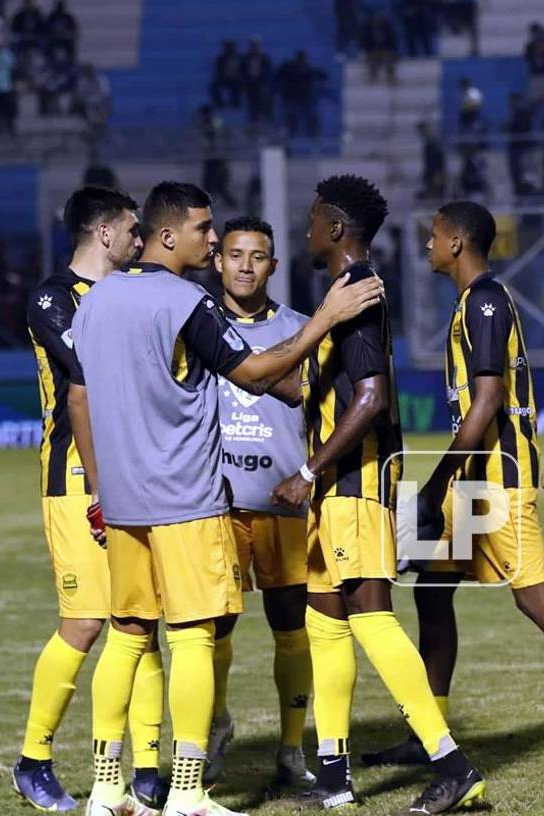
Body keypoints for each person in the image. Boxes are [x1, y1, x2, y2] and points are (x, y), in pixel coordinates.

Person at [72, 181, 384, 816]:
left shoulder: (98, 300)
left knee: (127, 636)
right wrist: (325, 318)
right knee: (191, 639)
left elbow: (82, 394)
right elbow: (255, 374)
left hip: (124, 499)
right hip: (185, 497)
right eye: (202, 228)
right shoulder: (187, 301)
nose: (211, 241)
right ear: (169, 236)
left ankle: (106, 789)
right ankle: (188, 791)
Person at [362, 202, 544, 768]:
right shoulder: (470, 302)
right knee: (430, 589)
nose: (426, 245)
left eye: (433, 235)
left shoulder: (488, 301)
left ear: (456, 244)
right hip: (470, 481)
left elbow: (489, 398)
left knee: (536, 599)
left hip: (498, 479)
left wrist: (435, 482)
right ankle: (431, 732)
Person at [269, 176, 487, 813]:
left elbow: (371, 398)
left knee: (369, 615)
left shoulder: (357, 291)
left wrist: (307, 472)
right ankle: (334, 776)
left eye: (312, 221)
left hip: (354, 483)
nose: (305, 231)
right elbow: (316, 387)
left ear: (336, 229)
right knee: (325, 622)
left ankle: (453, 763)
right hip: (336, 489)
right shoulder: (342, 291)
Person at [10, 187, 154, 812]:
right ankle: (34, 760)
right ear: (102, 232)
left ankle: (149, 769)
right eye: (131, 229)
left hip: (135, 472)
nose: (140, 240)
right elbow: (91, 375)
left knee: (140, 619)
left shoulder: (130, 289)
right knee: (86, 621)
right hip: (75, 477)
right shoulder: (52, 297)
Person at [201, 216, 318, 790]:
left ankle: (292, 747)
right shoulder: (193, 326)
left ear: (274, 265)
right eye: (236, 254)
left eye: (259, 256)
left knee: (290, 626)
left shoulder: (300, 328)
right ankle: (215, 722)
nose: (246, 265)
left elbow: (312, 401)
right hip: (213, 501)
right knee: (214, 626)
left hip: (281, 502)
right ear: (217, 260)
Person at [523, 22, 544, 123]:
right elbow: (527, 58)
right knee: (534, 99)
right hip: (536, 75)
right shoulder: (530, 46)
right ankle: (530, 120)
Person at [240, 38, 274, 127]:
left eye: (256, 46)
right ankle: (254, 118)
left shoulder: (265, 59)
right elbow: (241, 72)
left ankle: (267, 117)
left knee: (263, 94)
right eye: (252, 46)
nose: (254, 48)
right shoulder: (244, 59)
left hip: (261, 83)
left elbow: (268, 72)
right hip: (249, 84)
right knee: (253, 96)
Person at [362, 13, 400, 84]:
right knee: (372, 59)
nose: (377, 21)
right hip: (373, 51)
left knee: (389, 58)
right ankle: (372, 77)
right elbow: (365, 44)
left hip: (386, 51)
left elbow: (393, 43)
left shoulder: (388, 30)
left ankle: (391, 78)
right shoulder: (368, 31)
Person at [418, 121, 447, 200]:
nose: (424, 133)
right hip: (431, 170)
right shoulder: (428, 146)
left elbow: (438, 160)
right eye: (422, 131)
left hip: (436, 170)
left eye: (425, 130)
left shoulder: (435, 144)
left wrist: (437, 172)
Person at [210, 40, 243, 108]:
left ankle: (235, 102)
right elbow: (217, 70)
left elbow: (243, 70)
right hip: (224, 78)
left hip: (235, 79)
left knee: (237, 85)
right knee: (214, 86)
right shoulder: (220, 59)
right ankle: (219, 103)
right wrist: (221, 76)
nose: (229, 49)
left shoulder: (239, 58)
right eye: (228, 47)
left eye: (230, 47)